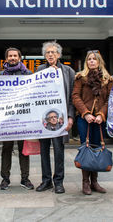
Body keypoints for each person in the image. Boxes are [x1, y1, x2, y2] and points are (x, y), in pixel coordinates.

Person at [35, 41, 75, 194]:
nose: (50, 55)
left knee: (59, 151)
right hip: (43, 119)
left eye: (53, 52)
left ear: (59, 55)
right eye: (47, 53)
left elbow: (72, 96)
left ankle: (58, 182)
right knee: (44, 151)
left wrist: (70, 117)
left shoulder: (68, 71)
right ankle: (46, 181)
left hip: (61, 119)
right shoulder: (39, 70)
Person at [72, 50, 113, 195]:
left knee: (97, 148)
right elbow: (76, 97)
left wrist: (102, 114)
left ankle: (95, 181)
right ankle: (85, 182)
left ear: (99, 61)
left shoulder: (108, 79)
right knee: (87, 147)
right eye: (89, 59)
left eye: (94, 59)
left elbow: (110, 99)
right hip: (85, 119)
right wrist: (86, 113)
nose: (91, 61)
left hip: (99, 120)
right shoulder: (80, 77)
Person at [0, 48, 34, 190]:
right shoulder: (1, 75)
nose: (12, 58)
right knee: (6, 149)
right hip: (7, 118)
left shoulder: (28, 74)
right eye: (10, 56)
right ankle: (5, 179)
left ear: (20, 58)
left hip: (23, 117)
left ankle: (25, 178)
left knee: (23, 149)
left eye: (15, 56)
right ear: (6, 58)